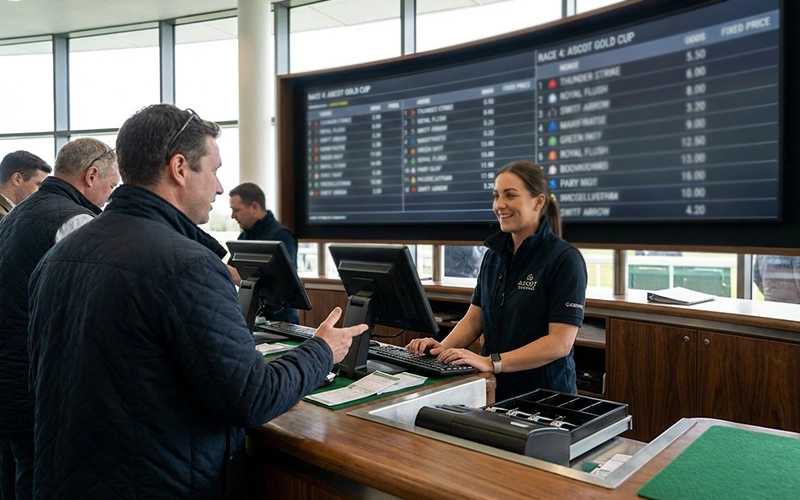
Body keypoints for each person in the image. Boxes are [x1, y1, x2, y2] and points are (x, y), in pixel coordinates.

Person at [27, 104, 367, 500]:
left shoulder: (58, 256)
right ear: (180, 168)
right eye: (215, 170)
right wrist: (322, 350)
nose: (220, 188)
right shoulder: (187, 266)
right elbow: (252, 397)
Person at [407, 160, 587, 401]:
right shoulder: (494, 255)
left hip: (546, 398)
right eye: (496, 196)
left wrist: (491, 362)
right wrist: (442, 349)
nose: (499, 205)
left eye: (510, 195)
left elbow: (559, 344)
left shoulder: (565, 259)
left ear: (539, 201)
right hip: (493, 390)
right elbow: (474, 320)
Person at [0, 138, 119, 500]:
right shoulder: (73, 220)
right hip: (33, 381)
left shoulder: (23, 210)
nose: (110, 197)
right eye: (111, 186)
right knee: (38, 478)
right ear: (91, 174)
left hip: (10, 374)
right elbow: (95, 304)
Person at [228, 182, 299, 323]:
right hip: (251, 318)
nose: (232, 216)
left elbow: (283, 287)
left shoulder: (282, 236)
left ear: (254, 207)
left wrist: (242, 277)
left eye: (236, 210)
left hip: (280, 323)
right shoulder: (244, 237)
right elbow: (230, 272)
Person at [0, 151, 52, 221]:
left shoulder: (11, 213)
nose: (42, 191)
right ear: (17, 179)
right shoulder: (4, 218)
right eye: (38, 185)